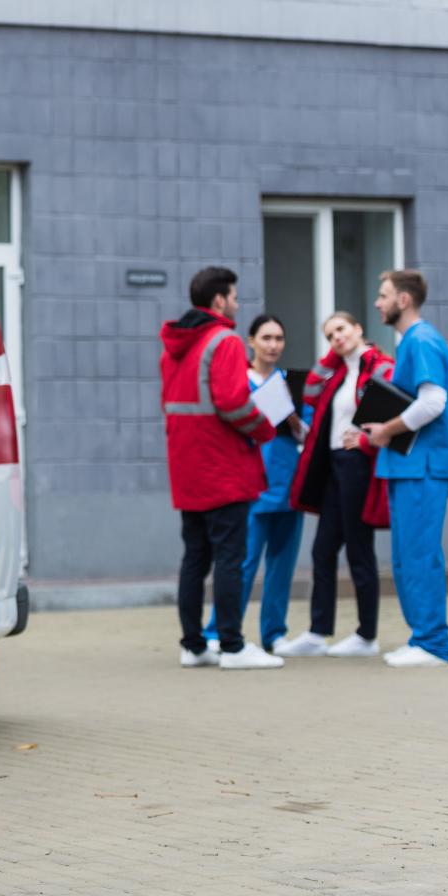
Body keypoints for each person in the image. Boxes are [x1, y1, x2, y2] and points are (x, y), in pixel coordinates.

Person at [160, 267, 283, 670]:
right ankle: (232, 646)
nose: (236, 302)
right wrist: (266, 430)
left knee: (195, 557)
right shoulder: (224, 340)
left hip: (188, 466)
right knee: (231, 557)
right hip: (223, 465)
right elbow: (232, 402)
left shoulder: (175, 344)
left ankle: (194, 646)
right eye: (233, 296)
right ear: (218, 301)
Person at [274, 312, 393, 658]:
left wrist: (368, 443)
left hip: (357, 464)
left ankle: (366, 636)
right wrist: (332, 356)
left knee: (359, 549)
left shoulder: (380, 366)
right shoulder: (338, 372)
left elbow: (393, 412)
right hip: (335, 466)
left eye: (340, 330)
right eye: (329, 335)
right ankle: (317, 632)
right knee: (322, 550)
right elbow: (310, 390)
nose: (336, 338)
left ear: (358, 328)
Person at [361, 270, 448, 667]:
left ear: (403, 300)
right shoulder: (413, 342)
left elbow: (433, 401)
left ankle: (433, 644)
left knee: (419, 555)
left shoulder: (421, 340)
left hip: (423, 467)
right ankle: (423, 638)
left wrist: (386, 429)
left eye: (383, 295)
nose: (377, 303)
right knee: (407, 555)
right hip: (411, 466)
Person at [202, 314, 308, 653]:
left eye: (279, 338)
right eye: (266, 338)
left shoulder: (292, 385)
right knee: (241, 564)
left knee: (281, 564)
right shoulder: (238, 382)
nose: (273, 345)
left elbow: (307, 433)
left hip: (288, 484)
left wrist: (292, 417)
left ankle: (274, 634)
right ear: (251, 341)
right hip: (251, 485)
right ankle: (218, 632)